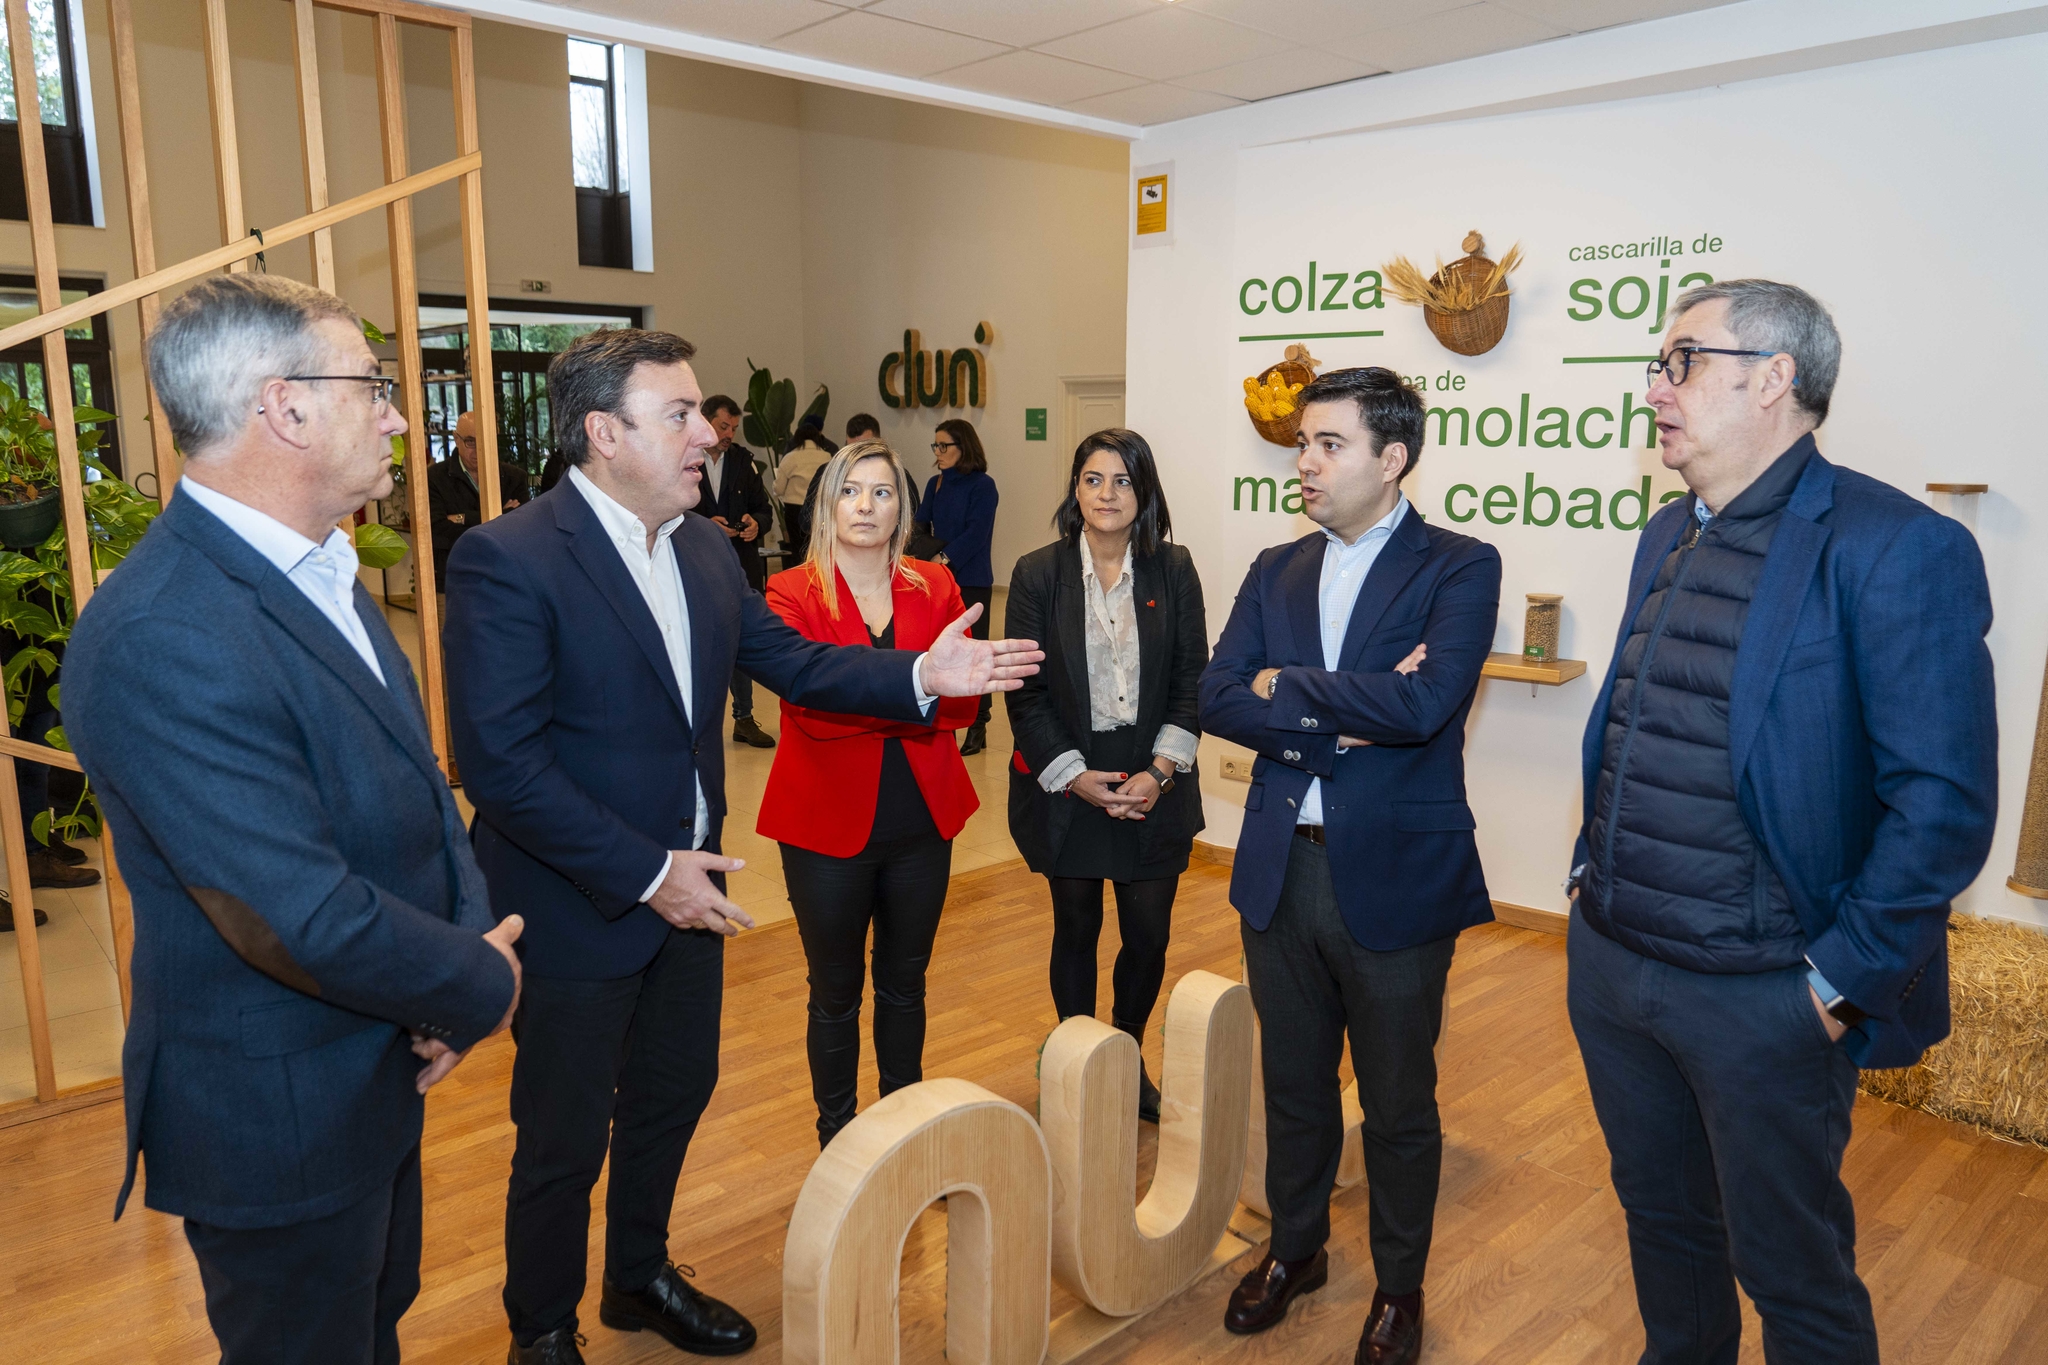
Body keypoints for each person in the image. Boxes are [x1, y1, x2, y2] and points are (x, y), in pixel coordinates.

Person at [441, 327, 1042, 1365]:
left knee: (674, 1093)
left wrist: (918, 677)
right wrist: (648, 874)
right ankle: (539, 1327)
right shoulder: (509, 557)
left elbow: (799, 665)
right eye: (678, 414)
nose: (706, 434)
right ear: (603, 433)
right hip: (578, 902)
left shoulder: (704, 549)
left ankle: (636, 1275)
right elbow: (501, 768)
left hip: (693, 893)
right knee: (563, 1135)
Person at [65, 274, 523, 1364]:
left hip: (374, 1058)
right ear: (287, 407)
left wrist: (456, 952)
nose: (398, 417)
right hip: (278, 1112)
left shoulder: (319, 563)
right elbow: (294, 912)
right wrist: (478, 980)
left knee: (374, 1323)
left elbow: (420, 786)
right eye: (373, 385)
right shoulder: (163, 630)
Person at [1566, 280, 1998, 1364]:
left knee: (1792, 1273)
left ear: (1773, 379)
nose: (1654, 389)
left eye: (1681, 362)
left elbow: (1941, 806)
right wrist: (1584, 883)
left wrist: (1833, 986)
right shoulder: (1665, 531)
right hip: (1615, 964)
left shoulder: (1894, 545)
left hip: (1763, 996)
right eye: (1656, 365)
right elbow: (1639, 723)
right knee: (1664, 1226)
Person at [1198, 367, 1500, 1365]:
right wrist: (1340, 714)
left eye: (1328, 444)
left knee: (1398, 1106)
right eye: (1303, 443)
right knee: (1293, 1085)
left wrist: (1283, 687)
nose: (1305, 462)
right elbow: (1215, 694)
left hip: (1396, 879)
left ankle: (1398, 1290)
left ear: (1391, 457)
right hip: (1279, 871)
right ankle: (1296, 1251)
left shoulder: (1459, 566)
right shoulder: (1274, 568)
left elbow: (1426, 705)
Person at [757, 439, 980, 1147]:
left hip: (922, 821)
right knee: (834, 993)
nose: (865, 506)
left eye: (882, 492)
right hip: (825, 825)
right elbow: (810, 706)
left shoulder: (934, 586)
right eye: (850, 490)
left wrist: (897, 696)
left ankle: (902, 1129)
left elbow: (964, 706)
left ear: (901, 508)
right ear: (826, 503)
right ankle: (840, 1138)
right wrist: (918, 690)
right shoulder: (790, 592)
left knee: (905, 985)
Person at [1004, 428, 1205, 1122]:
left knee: (1148, 933)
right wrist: (1074, 776)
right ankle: (1076, 1063)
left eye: (1122, 480)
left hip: (1154, 778)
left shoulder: (1173, 568)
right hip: (1071, 779)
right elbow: (1025, 692)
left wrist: (1160, 771)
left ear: (1144, 492)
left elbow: (1192, 678)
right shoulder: (1037, 572)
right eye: (1093, 479)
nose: (1107, 493)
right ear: (1075, 489)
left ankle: (1126, 1055)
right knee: (1076, 927)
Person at [698, 394, 779, 748]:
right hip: (696, 565)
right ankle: (698, 725)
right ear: (705, 421)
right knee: (701, 646)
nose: (729, 434)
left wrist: (755, 524)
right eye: (723, 426)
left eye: (733, 428)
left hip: (738, 567)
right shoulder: (683, 458)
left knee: (739, 641)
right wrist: (704, 525)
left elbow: (764, 510)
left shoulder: (743, 462)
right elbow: (667, 511)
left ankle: (744, 719)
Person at [922, 418, 999, 755]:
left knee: (976, 652)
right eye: (935, 445)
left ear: (963, 447)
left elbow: (977, 532)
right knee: (944, 651)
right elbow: (920, 523)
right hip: (939, 580)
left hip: (972, 579)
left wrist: (944, 558)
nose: (937, 452)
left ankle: (979, 722)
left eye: (944, 445)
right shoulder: (935, 483)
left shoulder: (983, 485)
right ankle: (948, 721)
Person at [425, 408, 527, 583]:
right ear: (456, 439)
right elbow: (438, 531)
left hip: (504, 575)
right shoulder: (435, 477)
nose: (479, 449)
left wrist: (463, 518)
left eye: (486, 441)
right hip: (456, 575)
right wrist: (501, 514)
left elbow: (521, 527)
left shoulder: (514, 477)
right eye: (470, 442)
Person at [774, 414, 838, 552]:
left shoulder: (790, 457)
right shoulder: (827, 456)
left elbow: (779, 489)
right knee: (817, 550)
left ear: (797, 438)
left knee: (798, 550)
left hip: (793, 510)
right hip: (818, 508)